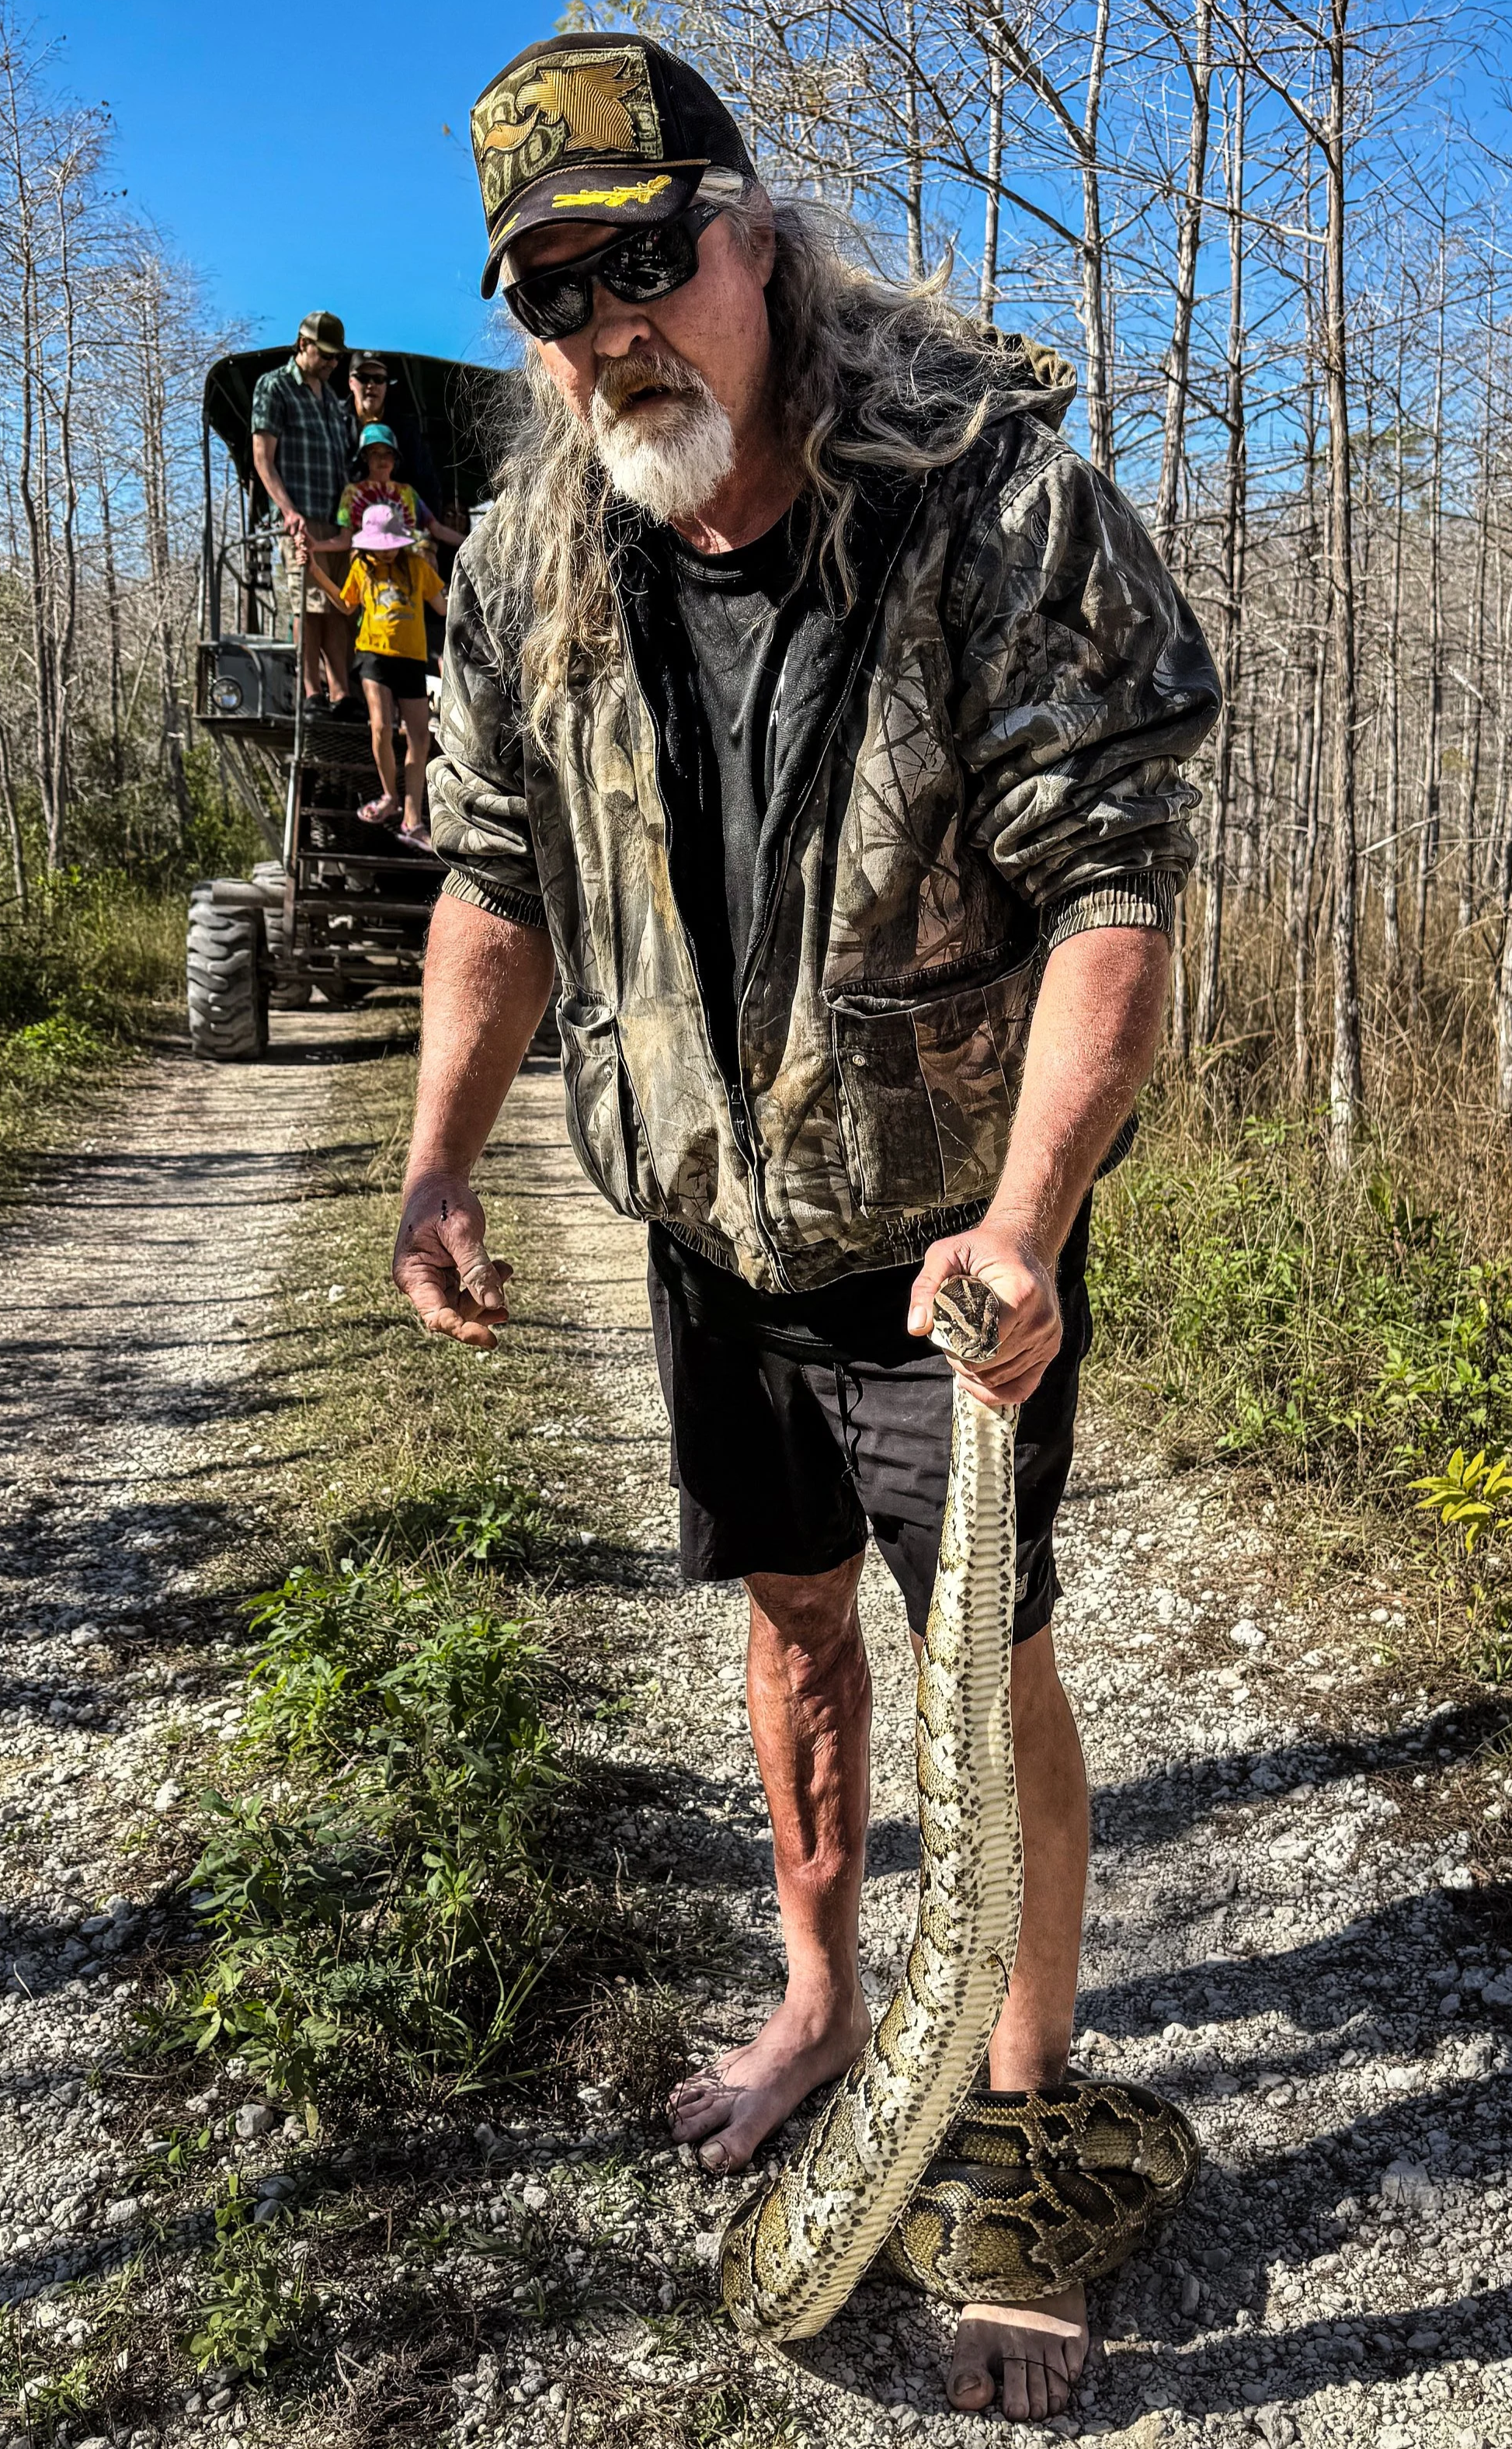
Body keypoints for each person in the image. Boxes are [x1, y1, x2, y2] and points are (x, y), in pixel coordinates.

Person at [395, 31, 1221, 2424]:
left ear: (754, 239)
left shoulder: (987, 505)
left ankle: (1021, 2137)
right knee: (785, 1625)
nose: (605, 325)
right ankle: (832, 2003)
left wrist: (1035, 1223)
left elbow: (1111, 892)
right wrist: (440, 1149)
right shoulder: (539, 539)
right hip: (701, 1224)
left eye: (646, 258)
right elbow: (489, 872)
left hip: (950, 1243)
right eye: (553, 289)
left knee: (992, 1679)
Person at [299, 500, 446, 842]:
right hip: (373, 656)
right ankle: (389, 797)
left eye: (391, 547)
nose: (386, 554)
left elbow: (442, 605)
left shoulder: (418, 567)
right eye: (381, 548)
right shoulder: (362, 568)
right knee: (380, 726)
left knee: (420, 737)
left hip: (412, 658)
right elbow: (347, 604)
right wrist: (317, 573)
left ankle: (412, 819)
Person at [251, 310, 357, 716]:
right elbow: (264, 459)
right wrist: (288, 512)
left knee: (337, 606)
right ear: (303, 345)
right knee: (308, 606)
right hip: (300, 518)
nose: (332, 363)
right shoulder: (274, 387)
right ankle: (312, 693)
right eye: (326, 355)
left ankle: (341, 695)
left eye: (336, 357)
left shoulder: (332, 400)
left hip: (336, 523)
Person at [337, 424, 468, 555]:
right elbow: (344, 540)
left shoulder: (407, 493)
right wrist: (318, 546)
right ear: (365, 457)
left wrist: (471, 541)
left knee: (427, 550)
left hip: (405, 565)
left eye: (388, 453)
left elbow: (437, 530)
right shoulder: (352, 493)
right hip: (367, 565)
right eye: (374, 452)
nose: (382, 459)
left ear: (395, 458)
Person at [346, 352, 443, 516]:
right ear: (351, 382)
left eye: (379, 379)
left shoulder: (405, 430)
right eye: (363, 378)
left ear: (386, 385)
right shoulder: (334, 419)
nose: (371, 385)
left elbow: (427, 485)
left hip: (396, 527)